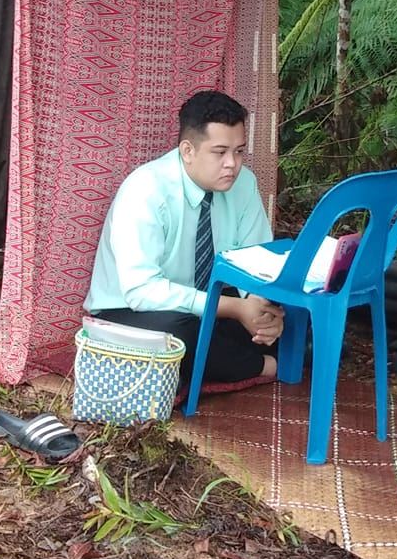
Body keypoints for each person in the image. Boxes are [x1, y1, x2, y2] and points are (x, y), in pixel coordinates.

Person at [84, 90, 283, 385]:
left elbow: (258, 259)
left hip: (204, 301)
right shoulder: (146, 189)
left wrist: (259, 311)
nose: (232, 164)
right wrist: (235, 309)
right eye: (220, 152)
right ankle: (264, 366)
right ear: (188, 151)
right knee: (179, 336)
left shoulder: (244, 184)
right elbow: (141, 290)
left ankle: (229, 361)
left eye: (239, 151)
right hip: (132, 310)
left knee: (293, 314)